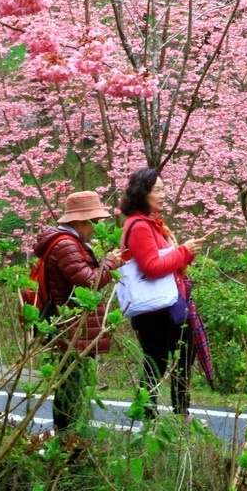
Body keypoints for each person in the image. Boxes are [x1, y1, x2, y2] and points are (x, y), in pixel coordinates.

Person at [120, 168, 208, 419]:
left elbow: (168, 261)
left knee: (184, 354)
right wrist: (183, 252)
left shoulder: (153, 224)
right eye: (157, 190)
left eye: (163, 188)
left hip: (170, 304)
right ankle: (148, 416)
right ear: (142, 193)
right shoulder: (139, 226)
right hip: (154, 309)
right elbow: (151, 267)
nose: (163, 195)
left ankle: (181, 411)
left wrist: (184, 253)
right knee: (156, 363)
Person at [34, 190, 123, 434]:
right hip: (70, 328)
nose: (96, 227)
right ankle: (67, 441)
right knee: (70, 388)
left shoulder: (69, 243)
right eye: (94, 221)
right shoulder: (66, 245)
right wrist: (110, 262)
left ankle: (69, 440)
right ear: (80, 221)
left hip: (72, 326)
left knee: (71, 385)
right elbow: (88, 281)